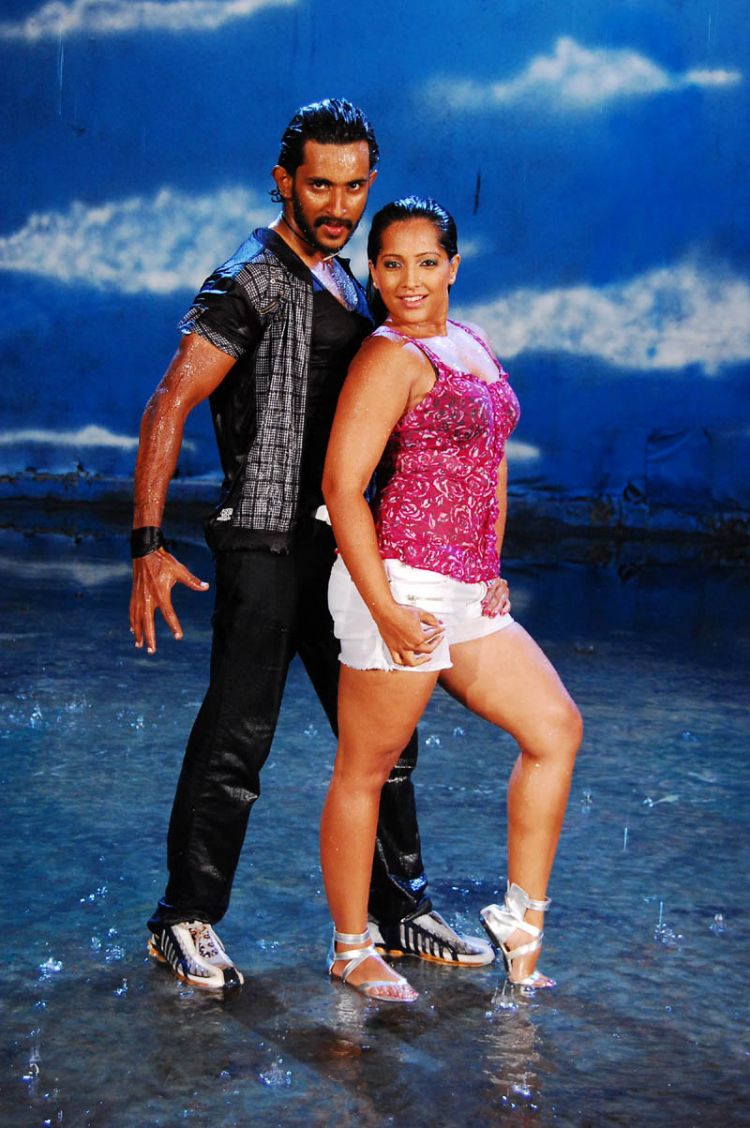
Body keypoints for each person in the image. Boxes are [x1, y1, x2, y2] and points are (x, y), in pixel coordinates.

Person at [129, 102, 493, 990]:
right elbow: (170, 400)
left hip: (345, 547)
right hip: (264, 546)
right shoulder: (250, 278)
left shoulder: (350, 281)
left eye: (354, 186)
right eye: (321, 184)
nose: (339, 204)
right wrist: (147, 542)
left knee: (384, 734)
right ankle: (183, 919)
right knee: (238, 736)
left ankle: (399, 912)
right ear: (283, 180)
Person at [320, 196, 582, 1002]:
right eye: (392, 264)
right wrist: (386, 608)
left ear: (453, 267)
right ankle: (351, 947)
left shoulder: (471, 341)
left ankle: (522, 926)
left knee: (555, 729)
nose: (409, 280)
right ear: (374, 272)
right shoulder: (387, 357)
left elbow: (492, 456)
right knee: (365, 771)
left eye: (426, 262)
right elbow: (342, 487)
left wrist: (491, 562)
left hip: (468, 591)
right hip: (399, 584)